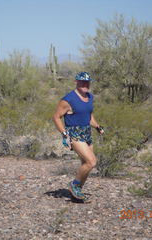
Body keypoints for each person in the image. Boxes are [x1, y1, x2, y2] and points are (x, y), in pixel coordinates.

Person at [52, 72, 104, 200]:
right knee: (91, 162)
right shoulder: (68, 99)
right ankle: (74, 184)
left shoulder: (90, 97)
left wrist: (97, 126)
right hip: (74, 134)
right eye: (82, 82)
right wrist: (64, 135)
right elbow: (56, 117)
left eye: (87, 82)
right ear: (76, 82)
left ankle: (77, 192)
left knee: (85, 164)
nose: (85, 84)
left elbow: (89, 115)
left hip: (87, 132)